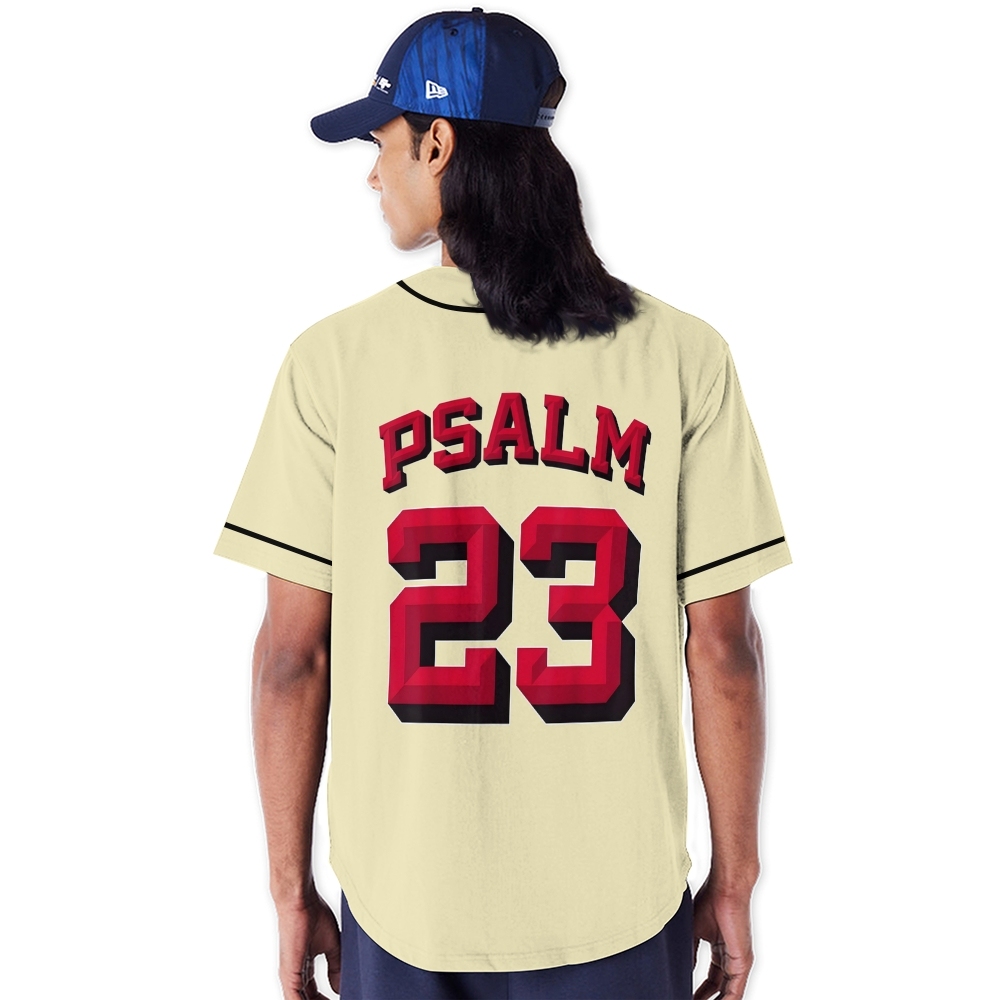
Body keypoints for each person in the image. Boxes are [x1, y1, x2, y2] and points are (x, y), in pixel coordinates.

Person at [214, 9, 791, 1000]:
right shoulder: (682, 356)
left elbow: (289, 661)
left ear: (436, 142)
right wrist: (735, 882)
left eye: (381, 142)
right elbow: (724, 651)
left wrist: (288, 889)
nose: (371, 174)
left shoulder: (333, 363)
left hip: (406, 905)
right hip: (617, 904)